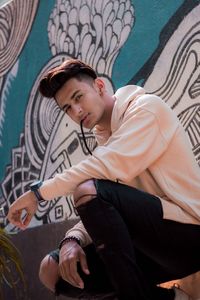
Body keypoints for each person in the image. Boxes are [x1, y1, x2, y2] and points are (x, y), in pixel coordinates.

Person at [7, 58, 200, 300]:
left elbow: (99, 174)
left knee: (88, 189)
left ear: (99, 86)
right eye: (67, 107)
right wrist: (72, 238)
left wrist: (38, 193)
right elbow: (107, 210)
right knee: (52, 270)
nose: (76, 111)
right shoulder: (105, 139)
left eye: (78, 97)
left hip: (190, 238)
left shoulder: (147, 109)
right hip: (152, 249)